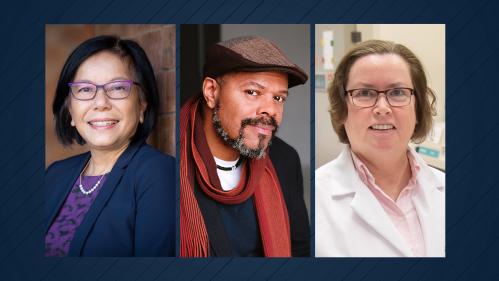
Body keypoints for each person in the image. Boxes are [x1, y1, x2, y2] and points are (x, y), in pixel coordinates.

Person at [45, 35, 175, 257]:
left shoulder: (160, 174)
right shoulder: (54, 175)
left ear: (142, 105)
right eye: (85, 89)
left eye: (117, 88)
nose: (101, 103)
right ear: (70, 111)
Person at [180, 36, 310, 257]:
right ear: (212, 91)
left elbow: (300, 249)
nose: (270, 109)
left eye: (278, 98)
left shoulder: (283, 159)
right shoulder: (171, 160)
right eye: (252, 92)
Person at [315, 40, 445, 257]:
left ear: (418, 107)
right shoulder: (314, 200)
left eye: (397, 92)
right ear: (342, 109)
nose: (382, 109)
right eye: (365, 93)